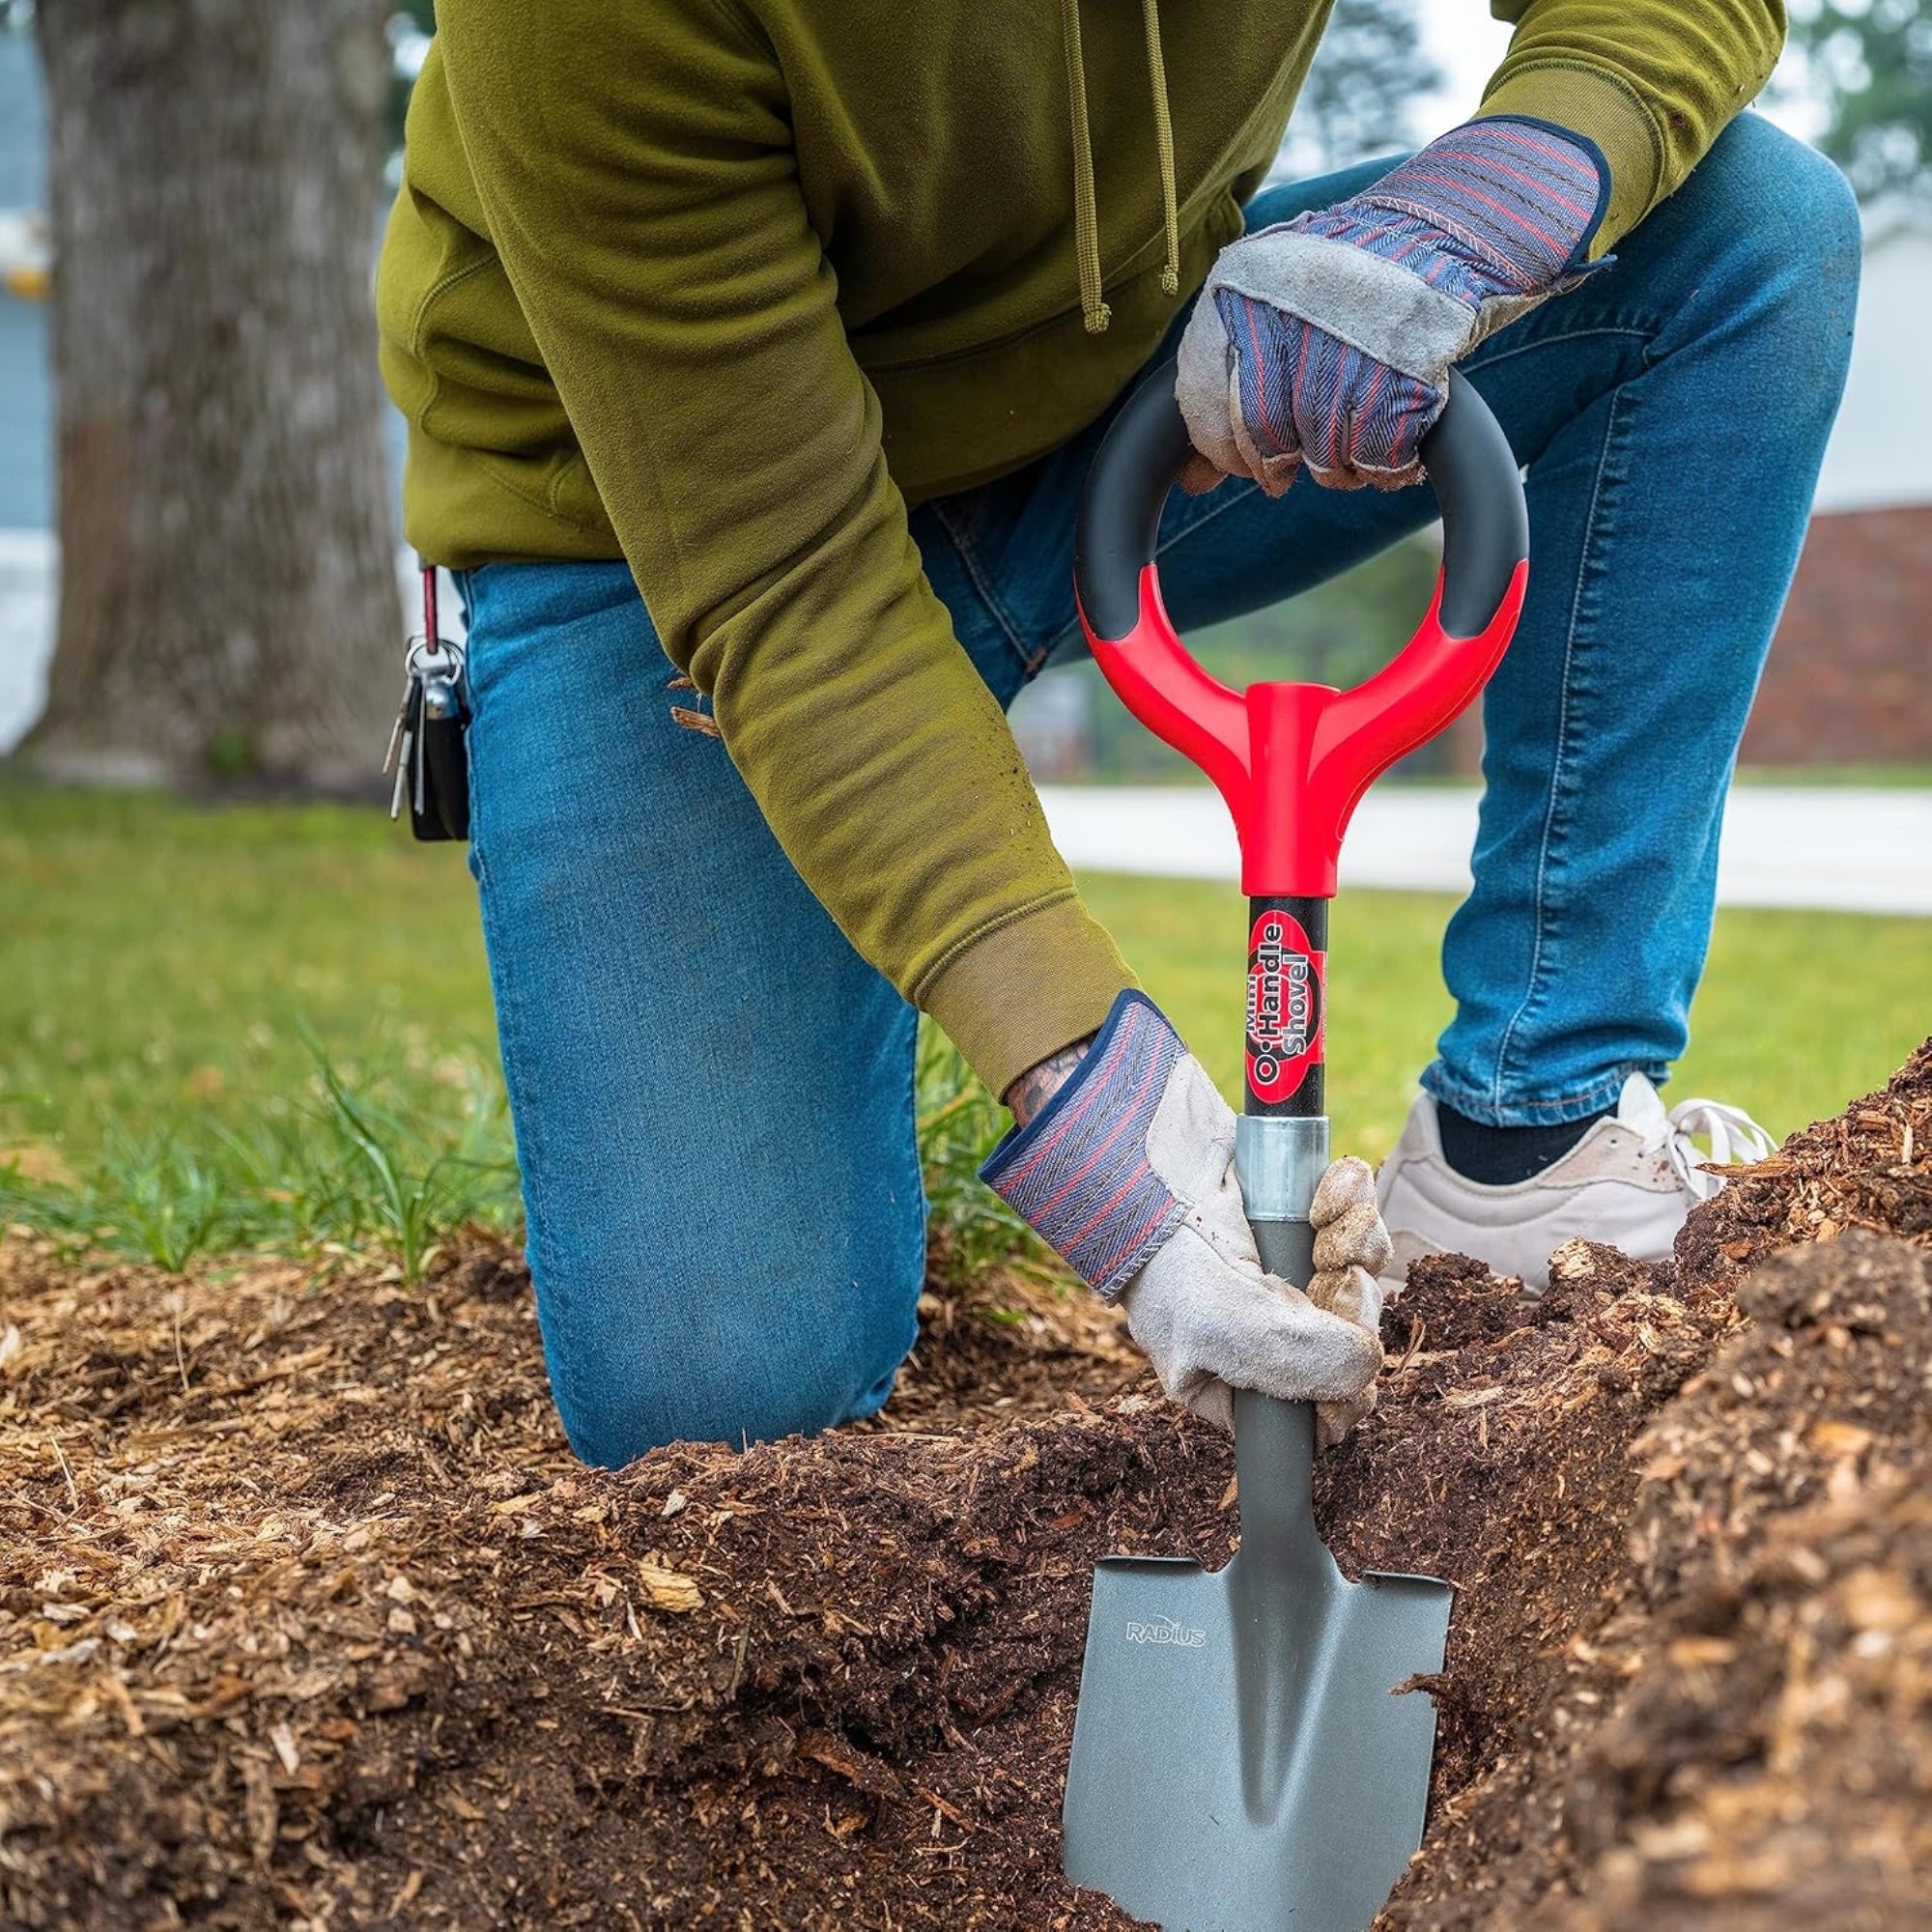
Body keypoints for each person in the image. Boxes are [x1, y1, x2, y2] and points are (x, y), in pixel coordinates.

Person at [377, 1, 1856, 1467]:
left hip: (1124, 416)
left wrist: (1484, 205)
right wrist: (1092, 1096)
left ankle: (1529, 1130)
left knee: (1746, 229)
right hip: (666, 536)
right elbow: (787, 589)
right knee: (717, 1387)